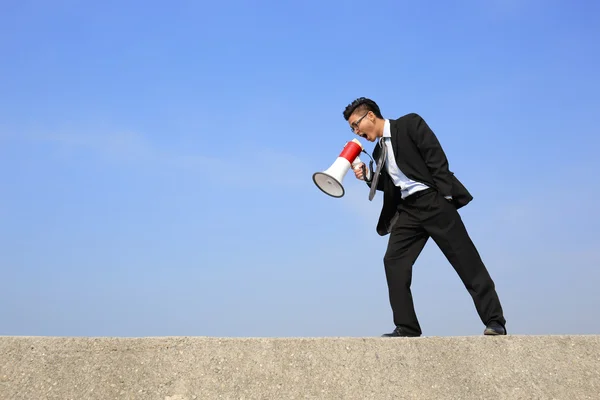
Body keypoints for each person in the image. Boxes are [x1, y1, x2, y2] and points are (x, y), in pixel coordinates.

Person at [344, 97, 507, 337]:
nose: (356, 132)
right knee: (394, 261)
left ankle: (495, 321)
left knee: (466, 260)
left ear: (370, 116)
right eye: (352, 130)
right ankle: (407, 327)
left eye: (356, 125)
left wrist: (446, 199)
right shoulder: (379, 151)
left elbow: (435, 157)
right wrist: (369, 176)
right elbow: (391, 185)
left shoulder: (409, 124)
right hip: (408, 210)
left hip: (434, 201)